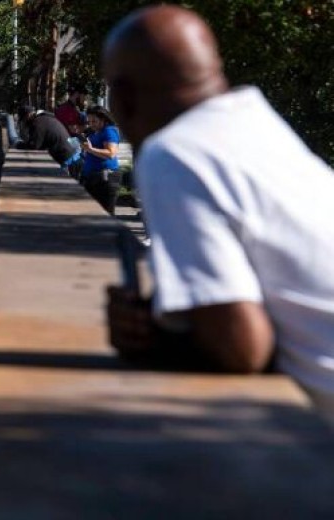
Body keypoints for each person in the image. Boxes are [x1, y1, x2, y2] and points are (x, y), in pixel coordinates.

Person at [102, 5, 334, 421]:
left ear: (123, 97)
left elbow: (241, 347)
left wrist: (154, 342)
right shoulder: (256, 124)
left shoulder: (174, 152)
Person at [13, 105, 83, 178]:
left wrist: (19, 145)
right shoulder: (45, 118)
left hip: (67, 160)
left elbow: (34, 146)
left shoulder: (38, 123)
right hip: (72, 156)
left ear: (28, 115)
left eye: (23, 120)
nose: (24, 123)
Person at [78, 105, 121, 214]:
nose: (91, 124)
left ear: (103, 119)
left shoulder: (109, 131)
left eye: (94, 121)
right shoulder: (97, 131)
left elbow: (111, 153)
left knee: (105, 214)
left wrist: (90, 149)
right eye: (89, 122)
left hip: (104, 179)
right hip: (93, 177)